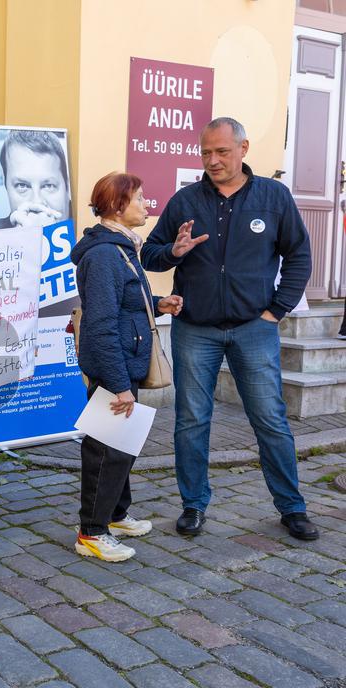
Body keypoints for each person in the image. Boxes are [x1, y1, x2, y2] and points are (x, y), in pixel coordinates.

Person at [141, 117, 319, 541]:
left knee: (270, 420)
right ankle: (193, 504)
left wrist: (276, 311)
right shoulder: (185, 201)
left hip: (254, 328)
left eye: (222, 151)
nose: (213, 160)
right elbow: (149, 254)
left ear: (243, 149)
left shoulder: (274, 197)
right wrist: (173, 250)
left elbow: (299, 256)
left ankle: (292, 507)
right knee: (191, 420)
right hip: (195, 330)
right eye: (206, 152)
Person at [70, 173, 183, 562]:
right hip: (113, 365)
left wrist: (158, 301)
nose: (146, 204)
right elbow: (100, 324)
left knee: (123, 444)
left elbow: (123, 298)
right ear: (118, 206)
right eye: (139, 198)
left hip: (124, 359)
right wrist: (118, 385)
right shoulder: (104, 255)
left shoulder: (121, 247)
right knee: (105, 450)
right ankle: (92, 532)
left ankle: (115, 515)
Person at [0, 129, 71, 231]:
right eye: (22, 186)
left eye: (48, 186)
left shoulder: (86, 235)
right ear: (6, 186)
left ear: (67, 187)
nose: (37, 202)